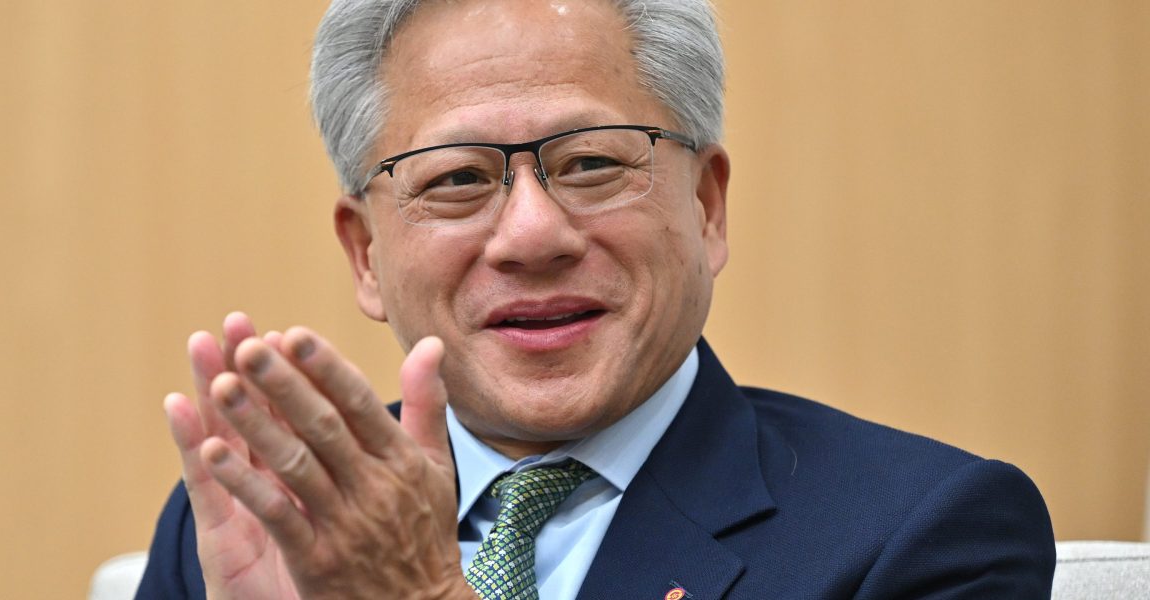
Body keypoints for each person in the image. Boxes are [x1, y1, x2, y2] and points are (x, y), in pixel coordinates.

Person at [136, 0, 1056, 598]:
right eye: (457, 178)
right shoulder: (271, 516)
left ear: (706, 207)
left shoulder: (925, 534)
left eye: (590, 163)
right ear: (365, 253)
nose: (532, 236)